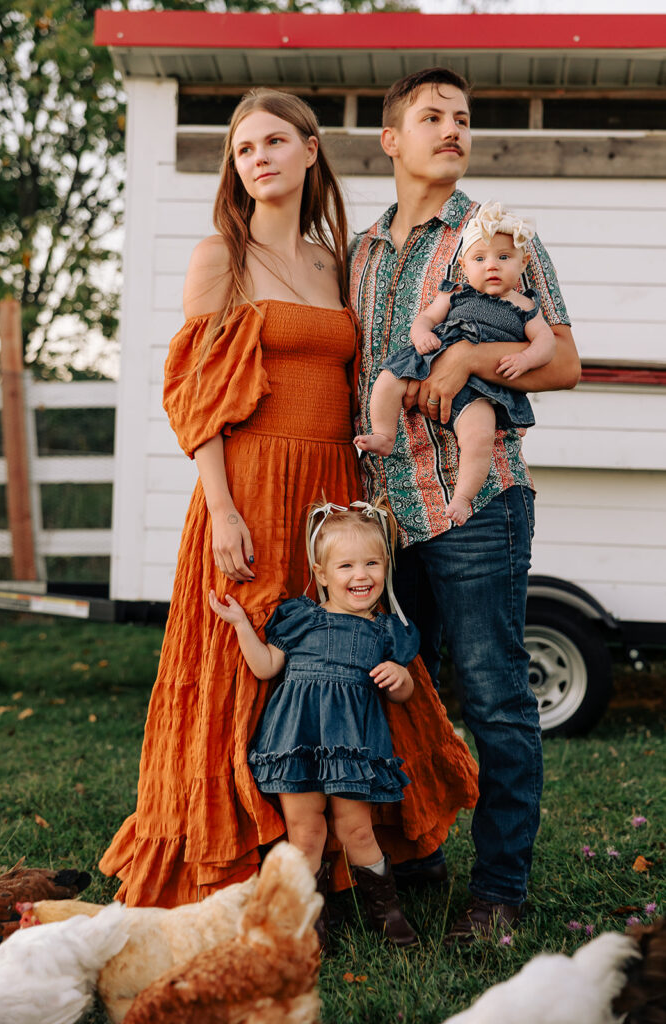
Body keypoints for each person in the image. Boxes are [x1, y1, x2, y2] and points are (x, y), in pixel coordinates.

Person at [99, 88, 478, 909]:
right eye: (243, 150)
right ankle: (235, 866)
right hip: (246, 488)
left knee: (334, 663)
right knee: (243, 665)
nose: (258, 158)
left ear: (311, 150)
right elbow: (196, 396)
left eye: (275, 141)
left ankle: (344, 863)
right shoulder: (217, 259)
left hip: (328, 495)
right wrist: (223, 507)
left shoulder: (333, 261)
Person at [349, 68, 581, 940]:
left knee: (491, 697)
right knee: (394, 693)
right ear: (391, 140)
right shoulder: (364, 250)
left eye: (463, 118)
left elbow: (561, 362)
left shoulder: (498, 234)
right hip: (382, 511)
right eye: (431, 117)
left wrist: (466, 363)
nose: (452, 129)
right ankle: (410, 862)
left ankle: (497, 895)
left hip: (475, 503)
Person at [210, 499, 420, 948]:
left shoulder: (385, 631)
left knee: (356, 830)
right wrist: (241, 625)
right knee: (306, 833)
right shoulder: (301, 619)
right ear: (322, 574)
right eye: (346, 565)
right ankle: (310, 922)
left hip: (351, 746)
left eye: (372, 564)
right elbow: (267, 666)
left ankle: (387, 911)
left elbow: (404, 694)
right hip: (297, 740)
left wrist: (400, 678)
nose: (360, 576)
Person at [354, 201, 556, 525]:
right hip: (433, 356)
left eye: (503, 257)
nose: (492, 266)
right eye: (480, 258)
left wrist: (526, 358)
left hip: (481, 389)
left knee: (479, 435)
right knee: (387, 380)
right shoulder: (456, 293)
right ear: (463, 265)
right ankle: (383, 434)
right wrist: (421, 335)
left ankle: (462, 497)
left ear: (523, 262)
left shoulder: (523, 305)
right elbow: (427, 317)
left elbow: (547, 343)